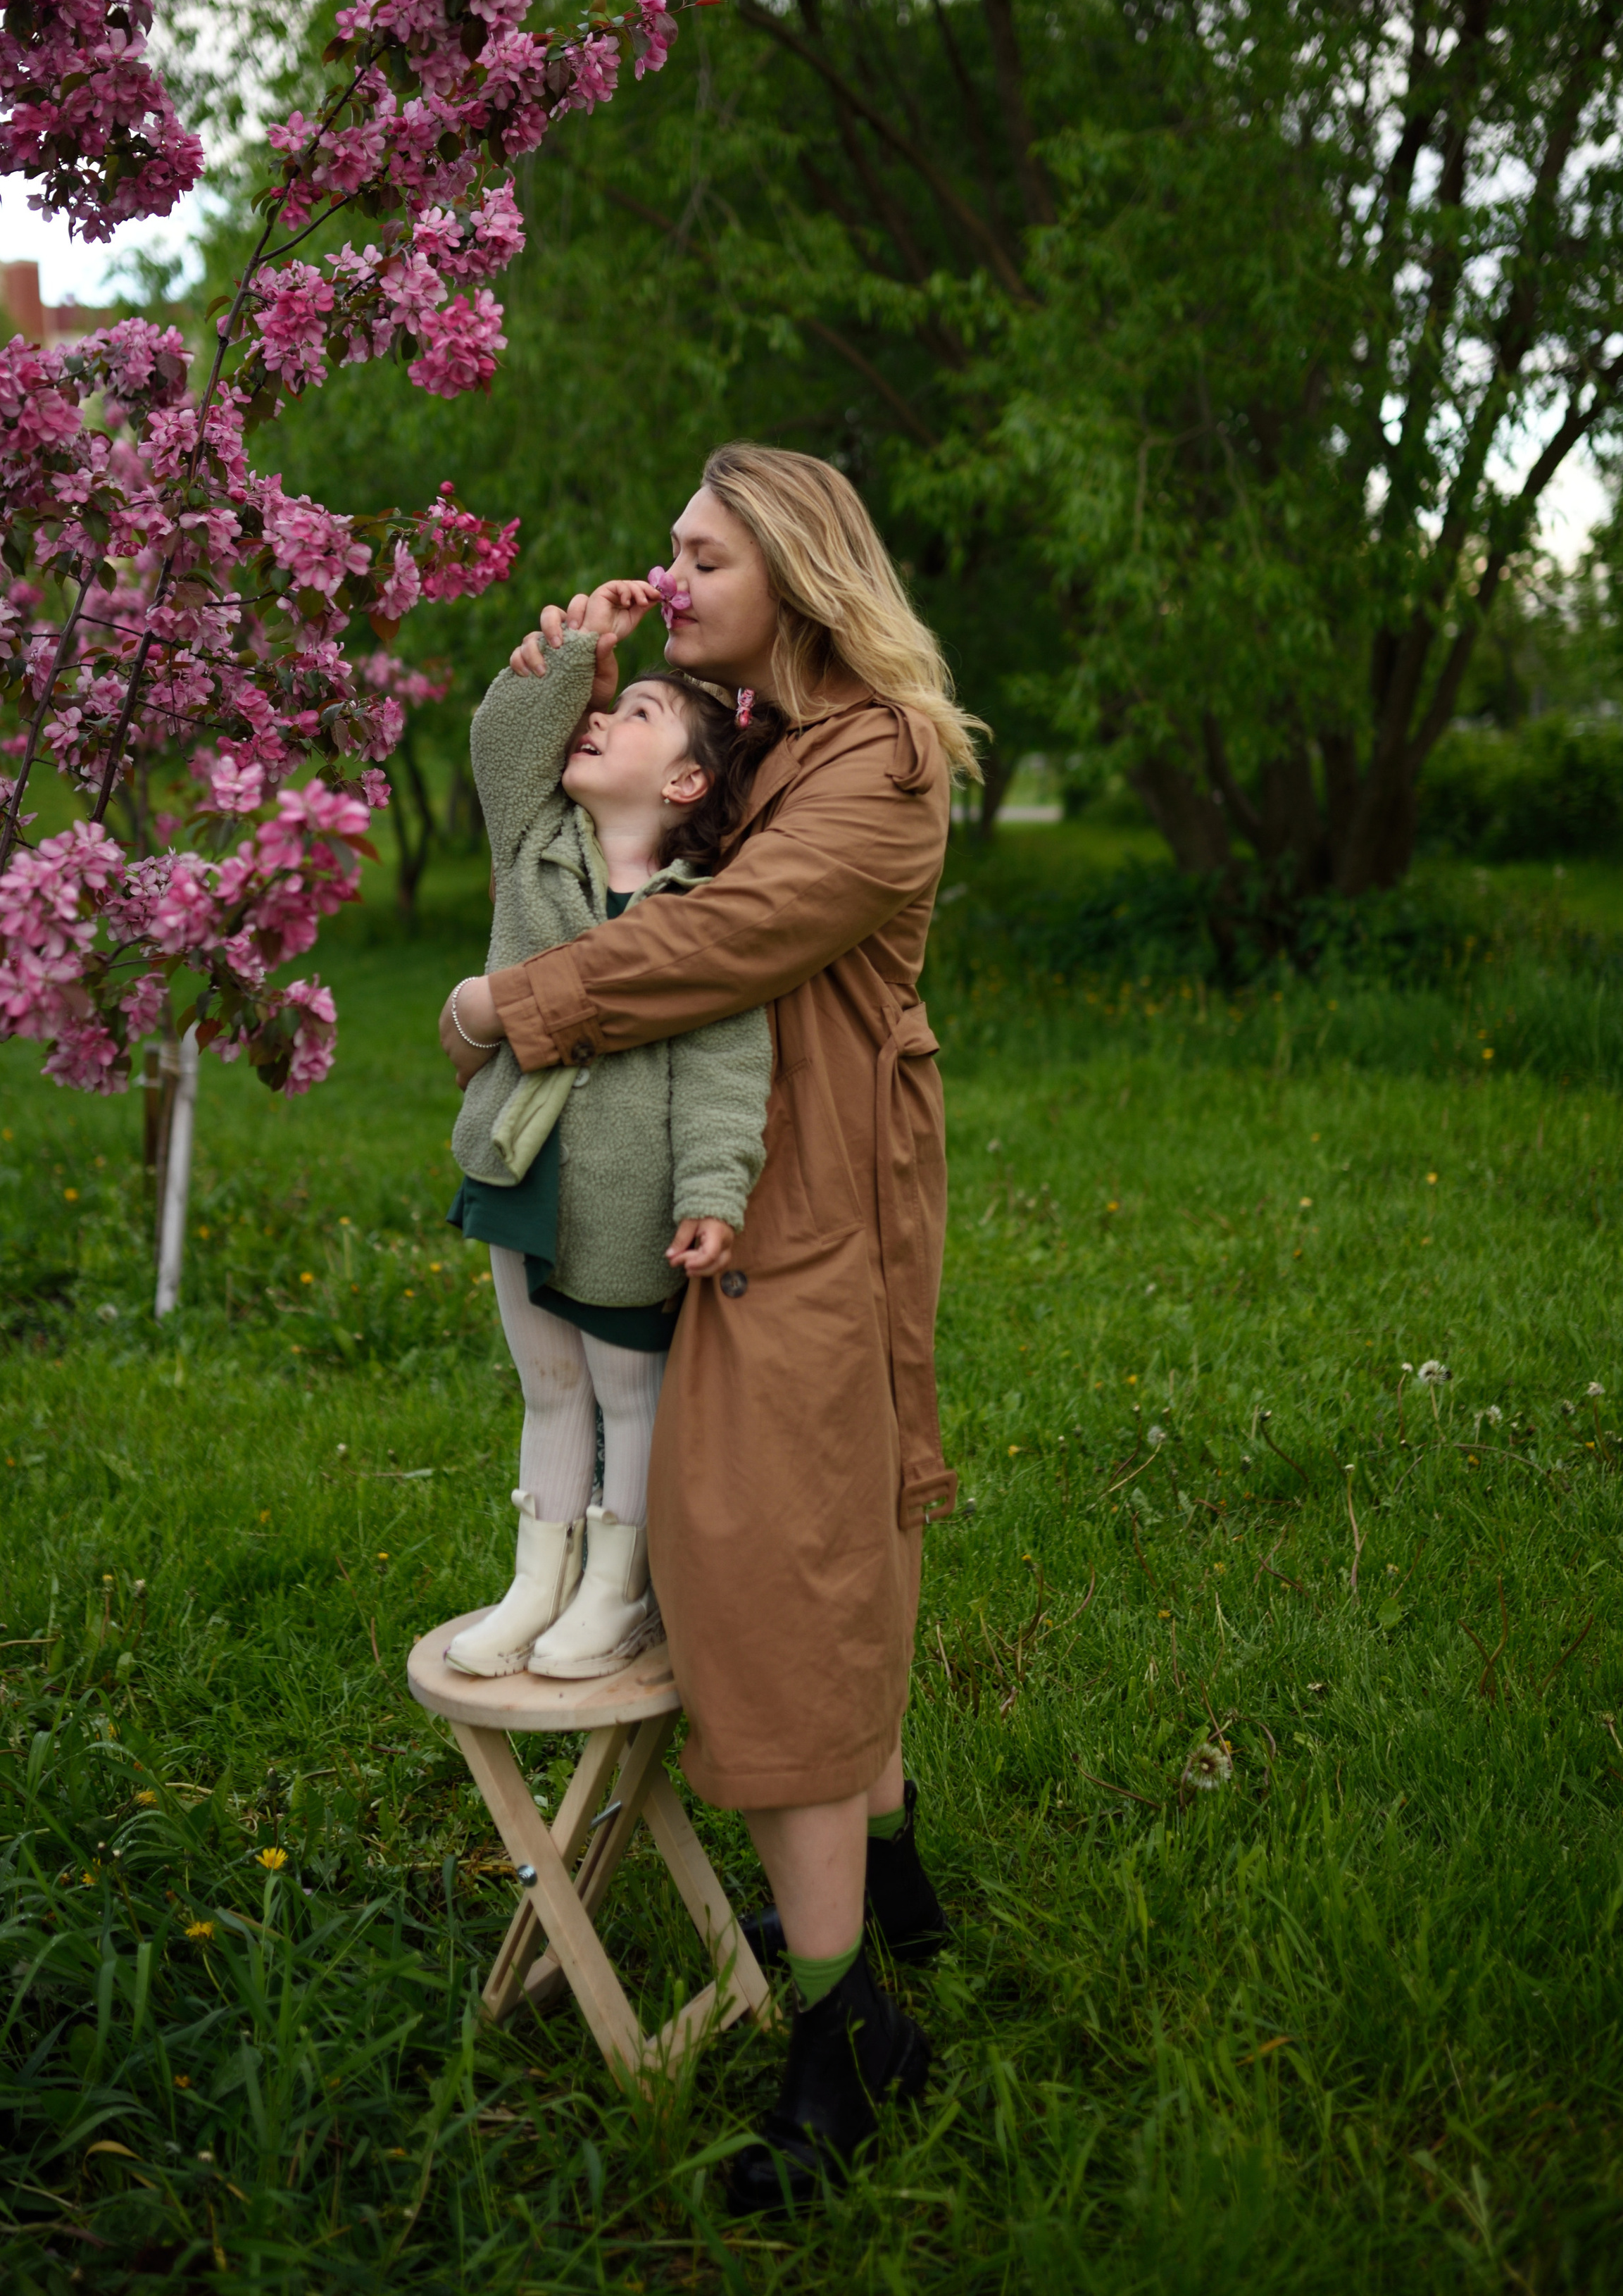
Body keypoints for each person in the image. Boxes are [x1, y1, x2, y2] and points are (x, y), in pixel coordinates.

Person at [441, 442, 981, 2210]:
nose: (669, 573)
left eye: (703, 553)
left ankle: (847, 2035)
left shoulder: (876, 763)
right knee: (810, 1544)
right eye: (668, 548)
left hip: (806, 1212)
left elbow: (726, 938)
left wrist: (513, 1007)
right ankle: (887, 1885)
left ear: (797, 573)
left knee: (775, 1567)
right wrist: (567, 672)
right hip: (725, 1199)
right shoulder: (761, 743)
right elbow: (576, 813)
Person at [444, 593, 784, 1681]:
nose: (601, 720)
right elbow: (502, 739)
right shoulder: (537, 844)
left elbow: (727, 1073)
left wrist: (713, 1192)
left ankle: (616, 1589)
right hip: (521, 1165)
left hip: (630, 1201)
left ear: (686, 782)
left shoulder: (703, 915)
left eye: (636, 714)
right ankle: (536, 1581)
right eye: (605, 710)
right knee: (550, 1386)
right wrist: (583, 654)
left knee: (629, 1395)